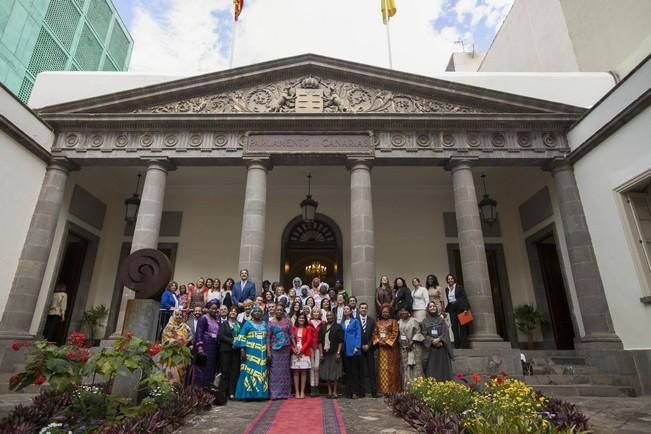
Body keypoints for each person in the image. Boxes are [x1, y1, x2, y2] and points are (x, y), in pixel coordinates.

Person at [234, 304, 269, 400]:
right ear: (252, 313)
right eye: (255, 311)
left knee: (261, 371)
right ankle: (248, 395)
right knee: (249, 372)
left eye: (259, 311)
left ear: (261, 313)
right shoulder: (247, 323)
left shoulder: (265, 324)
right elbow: (242, 337)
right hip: (249, 352)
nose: (257, 313)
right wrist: (242, 349)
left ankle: (261, 395)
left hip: (262, 352)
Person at [190, 300, 220, 389]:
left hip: (213, 346)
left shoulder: (217, 319)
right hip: (204, 345)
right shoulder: (203, 318)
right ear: (208, 309)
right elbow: (199, 333)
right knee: (202, 368)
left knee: (210, 368)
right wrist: (200, 347)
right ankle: (198, 388)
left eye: (216, 309)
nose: (214, 310)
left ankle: (207, 387)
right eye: (212, 308)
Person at [420, 302, 453, 381]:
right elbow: (424, 334)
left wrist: (439, 339)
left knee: (442, 369)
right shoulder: (425, 321)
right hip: (430, 350)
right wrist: (432, 340)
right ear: (428, 309)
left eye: (434, 306)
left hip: (441, 348)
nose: (432, 308)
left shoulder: (441, 320)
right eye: (430, 306)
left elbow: (445, 332)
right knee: (431, 369)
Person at [373, 304, 401, 394]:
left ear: (390, 313)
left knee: (392, 368)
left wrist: (388, 342)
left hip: (391, 349)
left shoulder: (393, 321)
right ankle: (383, 389)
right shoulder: (378, 322)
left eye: (387, 312)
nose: (385, 313)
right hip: (381, 349)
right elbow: (374, 334)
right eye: (383, 312)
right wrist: (378, 341)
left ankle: (392, 390)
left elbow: (395, 333)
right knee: (382, 368)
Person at [267, 305, 293, 400]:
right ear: (274, 311)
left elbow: (291, 335)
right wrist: (269, 351)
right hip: (275, 349)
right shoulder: (270, 322)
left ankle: (285, 394)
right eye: (277, 310)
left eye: (280, 310)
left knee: (285, 371)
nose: (278, 311)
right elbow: (268, 338)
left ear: (283, 312)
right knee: (275, 371)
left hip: (285, 349)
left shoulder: (287, 322)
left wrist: (296, 347)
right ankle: (275, 394)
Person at [161, 308, 192, 384]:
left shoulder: (186, 327)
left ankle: (178, 393)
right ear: (173, 315)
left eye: (181, 314)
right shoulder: (168, 327)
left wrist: (183, 341)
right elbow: (165, 339)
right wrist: (174, 341)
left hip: (182, 354)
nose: (179, 316)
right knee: (170, 374)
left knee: (181, 375)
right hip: (171, 355)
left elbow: (190, 336)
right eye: (177, 314)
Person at [397, 307, 424, 390]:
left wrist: (411, 343)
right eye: (401, 311)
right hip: (403, 348)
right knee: (405, 367)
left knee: (415, 367)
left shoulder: (414, 321)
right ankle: (407, 388)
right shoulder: (398, 322)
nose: (402, 313)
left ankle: (418, 388)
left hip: (414, 347)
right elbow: (398, 334)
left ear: (408, 313)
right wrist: (401, 342)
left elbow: (418, 332)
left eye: (404, 311)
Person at [218, 306, 241, 399]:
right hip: (226, 350)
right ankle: (223, 392)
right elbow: (221, 335)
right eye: (231, 311)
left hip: (236, 351)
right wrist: (232, 341)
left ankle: (232, 392)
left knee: (234, 371)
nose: (233, 313)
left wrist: (238, 342)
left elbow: (242, 336)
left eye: (235, 312)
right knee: (225, 370)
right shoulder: (224, 324)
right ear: (229, 313)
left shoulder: (240, 324)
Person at [319, 311, 343, 399]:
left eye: (331, 315)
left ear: (334, 316)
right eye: (328, 315)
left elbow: (341, 341)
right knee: (327, 372)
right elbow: (320, 341)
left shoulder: (338, 327)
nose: (329, 317)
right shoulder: (323, 327)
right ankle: (329, 391)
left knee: (335, 372)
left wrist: (338, 352)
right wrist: (321, 353)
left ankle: (335, 391)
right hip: (325, 353)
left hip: (334, 352)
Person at [291, 312, 314, 399]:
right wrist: (294, 349)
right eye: (300, 318)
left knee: (304, 372)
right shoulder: (293, 328)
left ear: (305, 320)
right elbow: (290, 339)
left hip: (304, 352)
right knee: (296, 372)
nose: (301, 319)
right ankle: (297, 391)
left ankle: (302, 392)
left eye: (303, 318)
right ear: (297, 319)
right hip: (295, 352)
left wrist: (301, 350)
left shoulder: (308, 328)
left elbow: (308, 341)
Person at [445, 274, 471, 349]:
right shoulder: (446, 289)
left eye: (451, 278)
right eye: (449, 279)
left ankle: (464, 345)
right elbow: (449, 300)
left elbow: (464, 297)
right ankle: (457, 344)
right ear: (447, 280)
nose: (450, 280)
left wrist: (466, 308)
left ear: (454, 279)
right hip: (452, 308)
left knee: (462, 326)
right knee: (454, 326)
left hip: (460, 308)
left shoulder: (459, 287)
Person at [341, 305, 362, 399]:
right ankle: (349, 391)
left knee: (354, 371)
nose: (346, 311)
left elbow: (358, 334)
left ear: (350, 311)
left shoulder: (355, 321)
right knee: (348, 371)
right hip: (345, 350)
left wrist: (357, 346)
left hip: (353, 349)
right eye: (344, 309)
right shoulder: (341, 323)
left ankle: (355, 392)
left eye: (347, 309)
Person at [358, 302, 377, 398]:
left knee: (371, 370)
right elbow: (356, 335)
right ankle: (361, 392)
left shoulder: (372, 321)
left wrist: (368, 345)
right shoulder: (355, 320)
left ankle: (374, 392)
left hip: (370, 349)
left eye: (365, 308)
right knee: (361, 370)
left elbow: (374, 335)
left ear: (367, 309)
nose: (363, 309)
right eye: (362, 308)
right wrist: (361, 345)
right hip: (359, 349)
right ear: (359, 309)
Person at [308, 306, 323, 397]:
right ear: (312, 314)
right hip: (310, 347)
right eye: (314, 312)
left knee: (317, 367)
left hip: (318, 347)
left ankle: (317, 385)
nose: (316, 314)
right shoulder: (309, 323)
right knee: (312, 367)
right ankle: (312, 387)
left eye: (317, 312)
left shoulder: (322, 323)